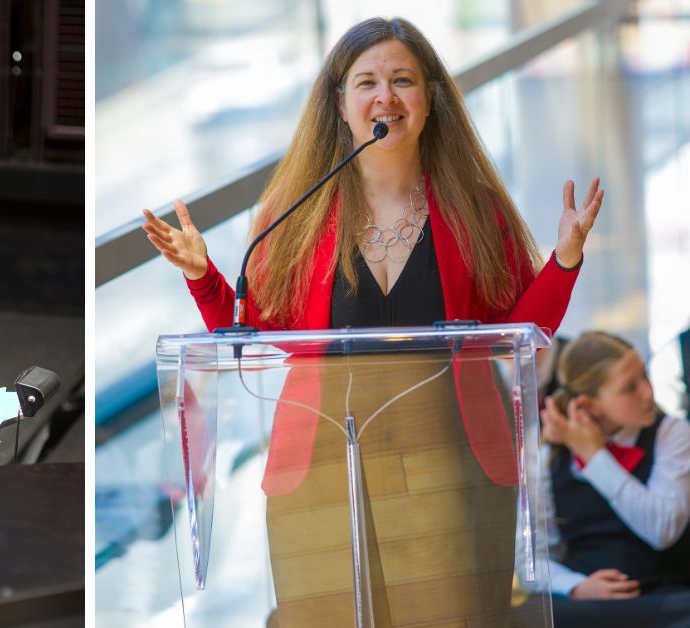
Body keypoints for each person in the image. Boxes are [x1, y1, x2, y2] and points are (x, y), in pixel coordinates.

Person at [141, 16, 603, 626]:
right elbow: (256, 333)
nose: (384, 96)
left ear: (430, 99)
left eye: (402, 79)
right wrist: (202, 273)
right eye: (366, 82)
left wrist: (564, 259)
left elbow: (518, 332)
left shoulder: (474, 206)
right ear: (340, 103)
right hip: (323, 468)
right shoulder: (295, 212)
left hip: (452, 465)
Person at [540, 331, 690, 628]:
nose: (648, 392)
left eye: (644, 376)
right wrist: (574, 586)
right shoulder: (546, 450)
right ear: (590, 405)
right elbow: (532, 557)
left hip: (666, 597)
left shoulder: (672, 433)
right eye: (629, 388)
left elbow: (662, 529)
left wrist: (594, 456)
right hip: (584, 604)